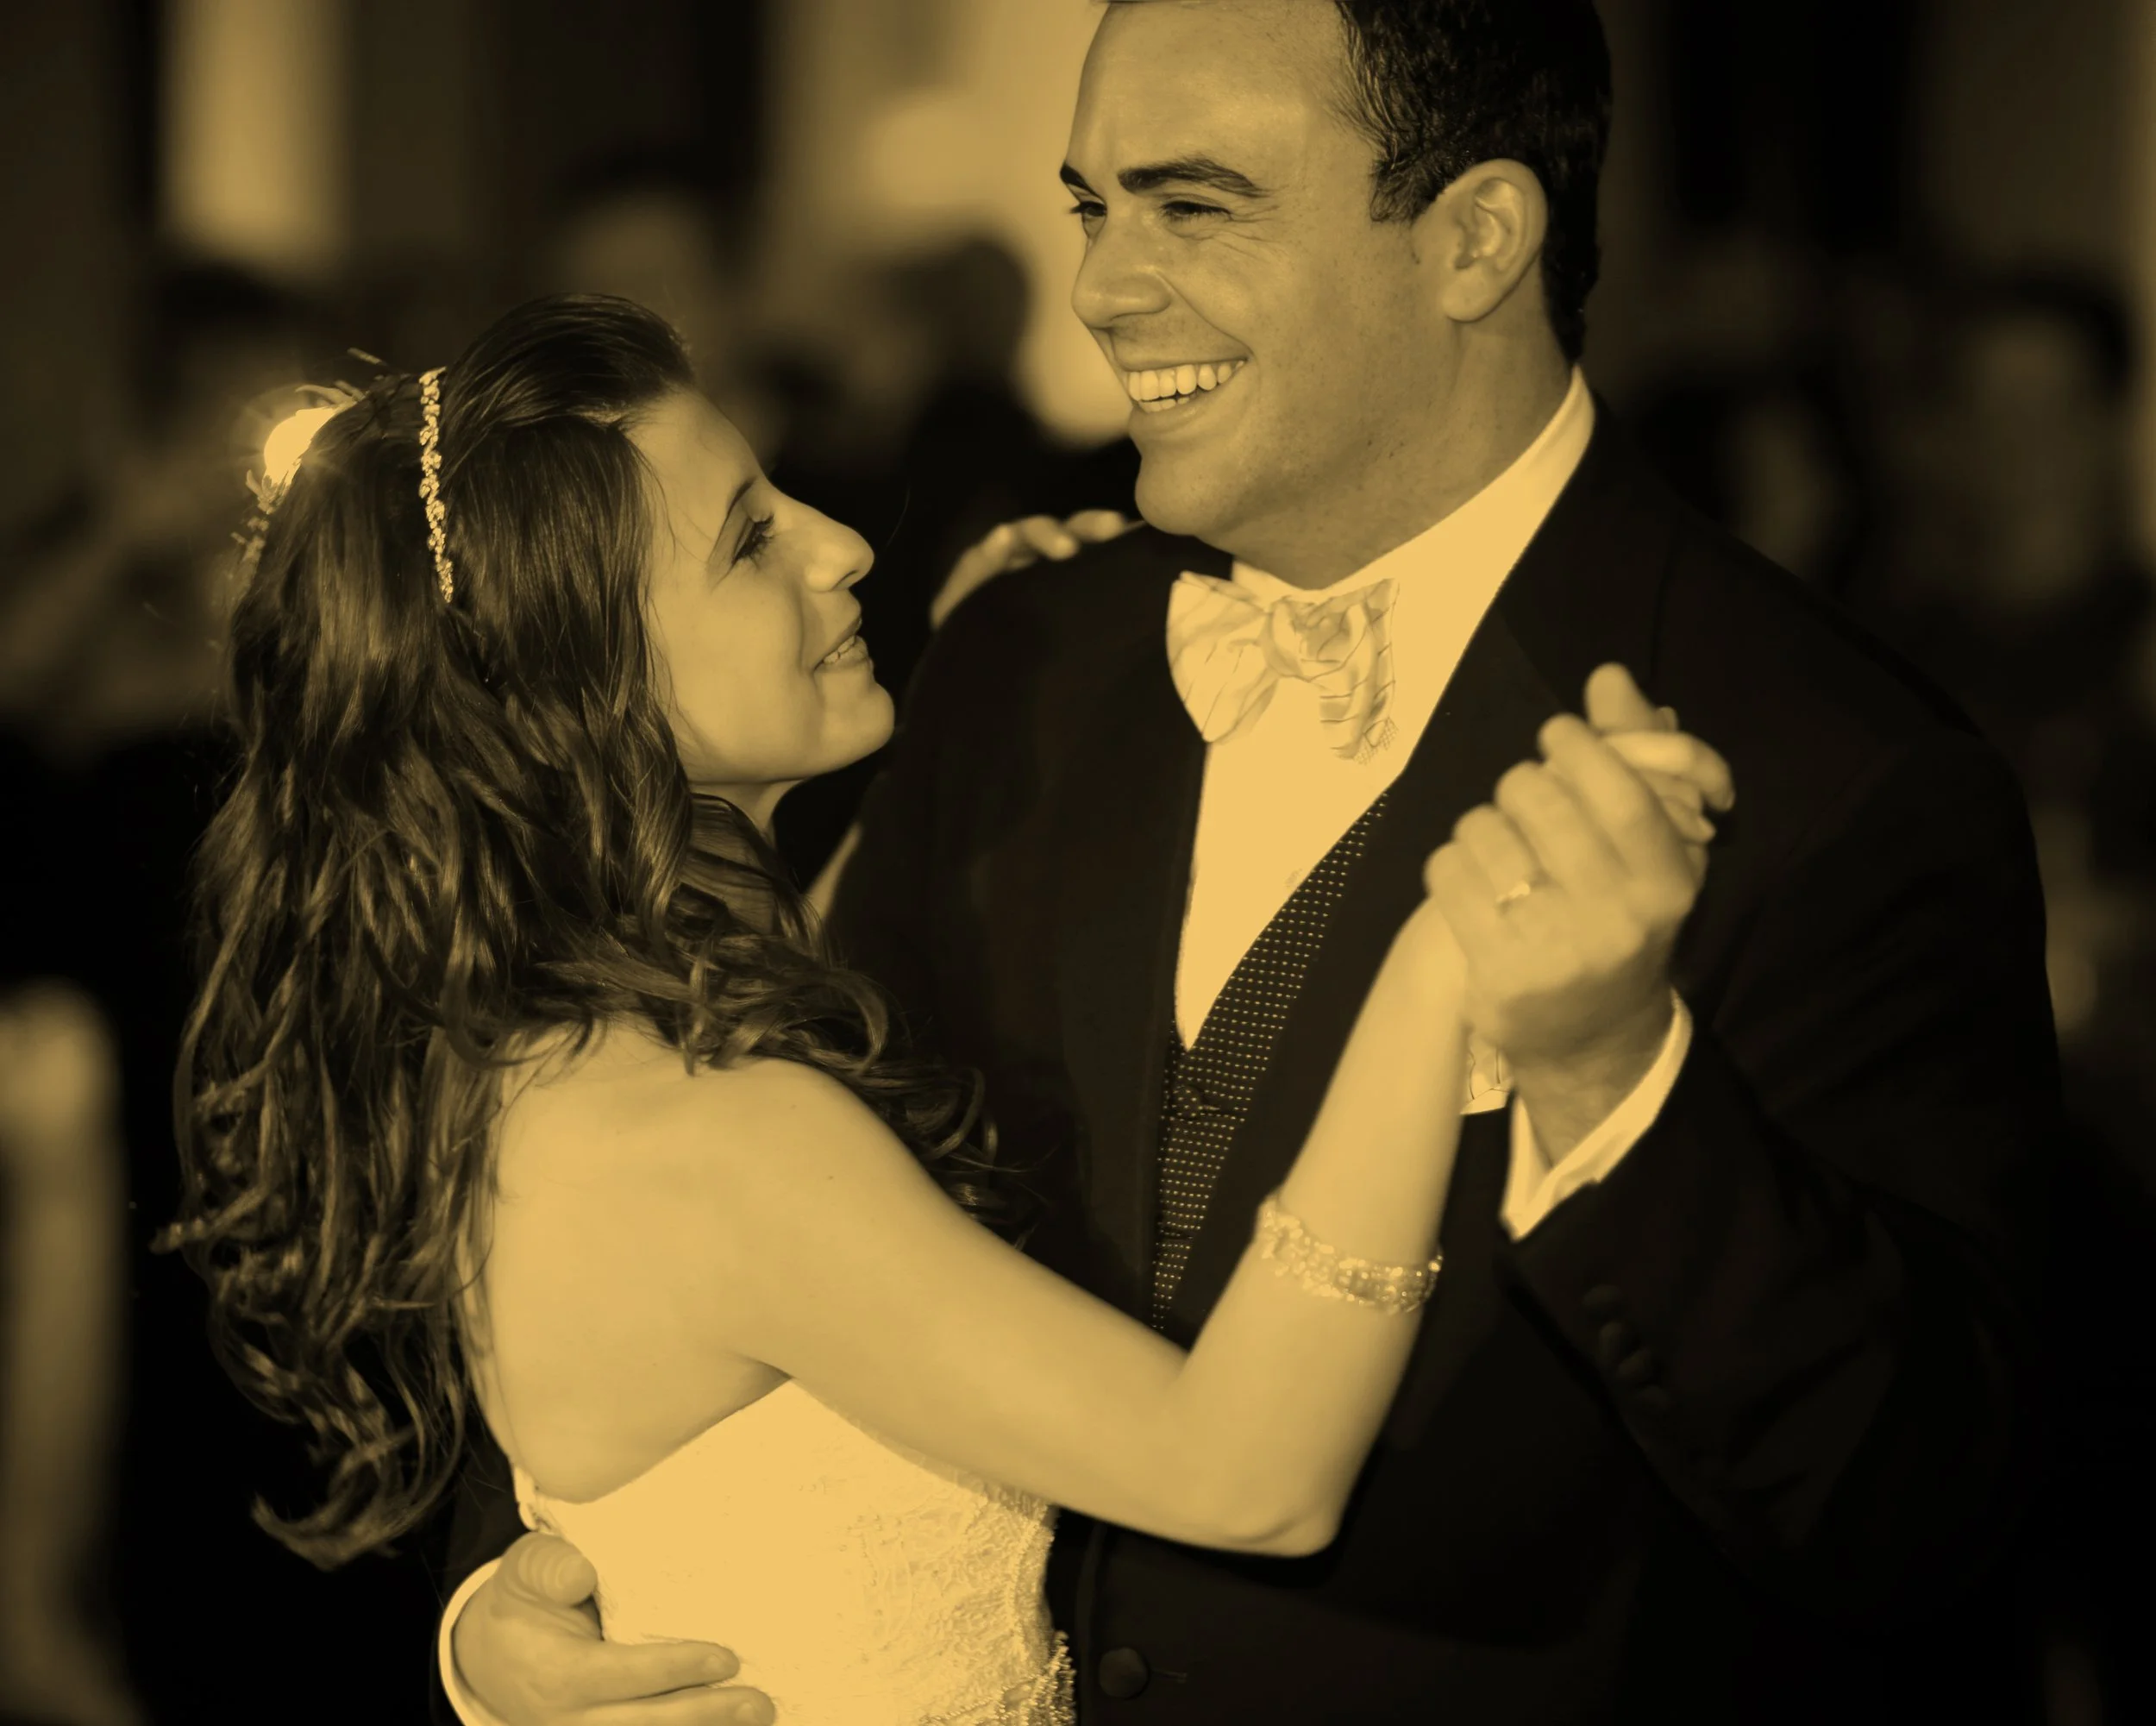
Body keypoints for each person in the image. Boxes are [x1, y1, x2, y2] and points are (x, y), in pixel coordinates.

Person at [442, 3, 2059, 1723]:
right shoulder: (1017, 664)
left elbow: (1931, 1518)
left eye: (1191, 206)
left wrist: (1614, 1079)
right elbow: (679, 1235)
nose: (1100, 288)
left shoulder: (1829, 766)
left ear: (1472, 241)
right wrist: (515, 1614)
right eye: (1090, 209)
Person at [160, 294, 1723, 1723]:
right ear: (584, 692)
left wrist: (970, 696)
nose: (843, 543)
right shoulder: (705, 1133)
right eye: (749, 540)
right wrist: (1445, 954)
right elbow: (1244, 1475)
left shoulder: (568, 1026)